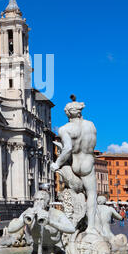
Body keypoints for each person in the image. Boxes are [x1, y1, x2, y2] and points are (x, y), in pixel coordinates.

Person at [50, 97, 98, 234]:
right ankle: (91, 227)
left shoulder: (65, 129)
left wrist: (57, 163)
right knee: (91, 194)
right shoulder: (91, 126)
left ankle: (73, 221)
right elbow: (91, 145)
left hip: (75, 164)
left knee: (71, 191)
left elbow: (68, 149)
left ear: (67, 114)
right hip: (88, 162)